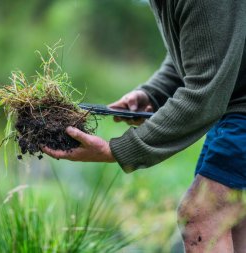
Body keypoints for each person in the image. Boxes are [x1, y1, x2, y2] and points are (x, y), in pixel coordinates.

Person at [42, 0, 246, 252]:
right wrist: (153, 92)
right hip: (232, 104)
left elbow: (203, 97)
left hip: (239, 108)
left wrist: (118, 150)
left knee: (202, 217)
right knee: (234, 218)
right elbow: (204, 44)